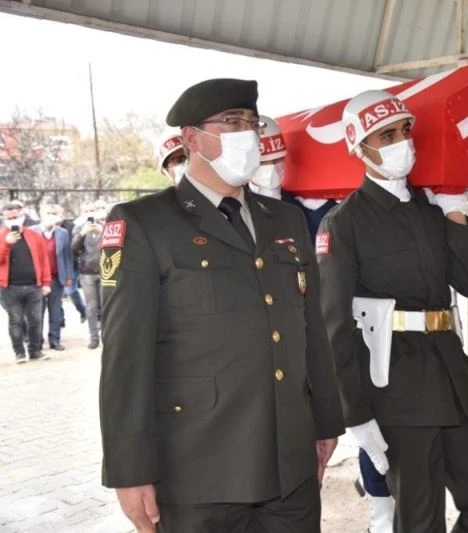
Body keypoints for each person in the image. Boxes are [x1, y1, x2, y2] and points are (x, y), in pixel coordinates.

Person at [99, 78, 344, 533]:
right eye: (232, 122)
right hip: (199, 471)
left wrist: (326, 422)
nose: (247, 134)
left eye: (251, 122)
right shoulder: (144, 223)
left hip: (290, 466)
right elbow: (125, 358)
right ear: (192, 138)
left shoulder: (285, 220)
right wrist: (130, 470)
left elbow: (312, 330)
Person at [318, 89, 468, 533]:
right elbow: (333, 326)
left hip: (453, 378)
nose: (401, 142)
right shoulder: (344, 223)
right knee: (420, 522)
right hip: (396, 390)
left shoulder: (432, 210)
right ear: (360, 147)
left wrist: (457, 215)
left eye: (405, 131)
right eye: (386, 134)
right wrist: (356, 414)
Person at [249, 115, 338, 241]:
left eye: (277, 159)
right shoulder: (233, 204)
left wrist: (323, 208)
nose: (272, 168)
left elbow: (330, 242)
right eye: (263, 163)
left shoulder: (303, 207)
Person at [0, 203, 51, 363]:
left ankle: (35, 351)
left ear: (22, 216)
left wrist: (46, 282)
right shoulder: (1, 236)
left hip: (33, 286)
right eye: (9, 218)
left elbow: (44, 261)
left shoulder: (34, 235)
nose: (12, 221)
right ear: (4, 218)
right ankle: (19, 352)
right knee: (15, 320)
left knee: (36, 320)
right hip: (9, 287)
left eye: (15, 217)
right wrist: (6, 243)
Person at [34, 204, 74, 351]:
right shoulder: (33, 231)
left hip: (56, 277)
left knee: (55, 310)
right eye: (48, 213)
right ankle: (37, 340)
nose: (51, 216)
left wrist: (69, 275)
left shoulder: (62, 233)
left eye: (53, 213)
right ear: (41, 215)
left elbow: (67, 256)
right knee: (38, 311)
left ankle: (55, 339)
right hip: (37, 279)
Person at [71, 209, 104, 350]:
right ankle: (93, 338)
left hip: (105, 271)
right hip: (87, 273)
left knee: (106, 305)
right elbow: (74, 248)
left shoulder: (106, 225)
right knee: (91, 307)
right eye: (89, 211)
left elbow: (117, 246)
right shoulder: (79, 228)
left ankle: (107, 337)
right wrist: (82, 234)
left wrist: (103, 231)